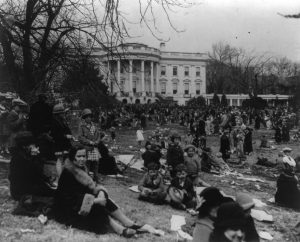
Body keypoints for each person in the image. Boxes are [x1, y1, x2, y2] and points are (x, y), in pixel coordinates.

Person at [54, 145, 143, 237]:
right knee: (97, 207)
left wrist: (100, 192)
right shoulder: (67, 173)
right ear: (73, 158)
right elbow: (68, 198)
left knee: (104, 199)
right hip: (68, 209)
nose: (82, 159)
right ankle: (120, 230)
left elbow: (91, 187)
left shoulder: (82, 169)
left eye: (84, 156)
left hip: (81, 201)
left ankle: (128, 222)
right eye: (79, 156)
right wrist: (94, 201)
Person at [9, 131, 55, 200]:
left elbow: (36, 174)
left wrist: (47, 179)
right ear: (25, 146)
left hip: (31, 186)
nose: (35, 147)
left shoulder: (27, 155)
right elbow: (20, 180)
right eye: (33, 145)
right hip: (22, 191)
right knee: (54, 195)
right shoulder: (18, 159)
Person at [78, 108, 101, 182]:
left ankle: (96, 177)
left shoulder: (94, 126)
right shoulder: (82, 126)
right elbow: (80, 137)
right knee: (87, 164)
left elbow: (98, 135)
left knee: (96, 163)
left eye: (90, 117)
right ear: (84, 118)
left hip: (95, 147)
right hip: (87, 147)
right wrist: (89, 142)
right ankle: (87, 179)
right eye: (87, 117)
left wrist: (97, 141)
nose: (89, 118)